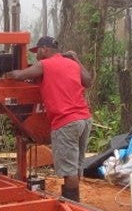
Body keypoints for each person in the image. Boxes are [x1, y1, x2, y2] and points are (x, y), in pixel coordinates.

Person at [5, 36, 92, 201]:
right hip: (85, 119)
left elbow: (19, 76)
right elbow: (88, 81)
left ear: (44, 49)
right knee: (76, 165)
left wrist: (5, 73)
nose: (36, 56)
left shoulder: (45, 64)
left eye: (37, 51)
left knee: (69, 170)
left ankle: (71, 207)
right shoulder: (72, 64)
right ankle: (75, 205)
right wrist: (77, 60)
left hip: (66, 122)